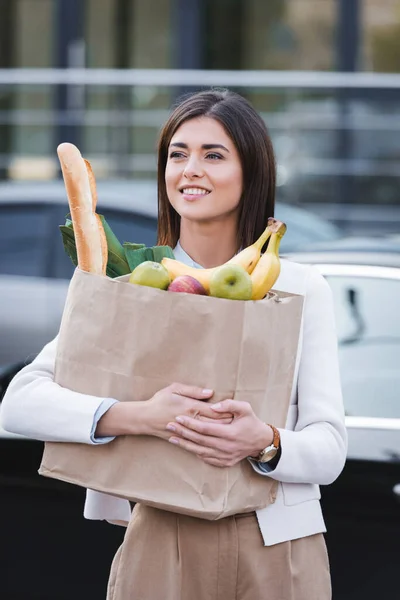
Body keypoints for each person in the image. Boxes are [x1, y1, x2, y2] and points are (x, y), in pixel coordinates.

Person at [0, 88, 347, 600]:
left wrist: (265, 441)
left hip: (279, 543)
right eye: (177, 154)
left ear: (251, 172)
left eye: (214, 155)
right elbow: (19, 403)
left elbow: (330, 448)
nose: (191, 169)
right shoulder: (134, 284)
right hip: (158, 532)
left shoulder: (298, 288)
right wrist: (143, 416)